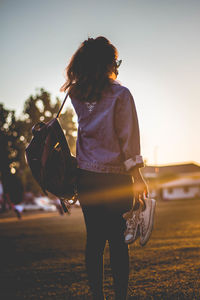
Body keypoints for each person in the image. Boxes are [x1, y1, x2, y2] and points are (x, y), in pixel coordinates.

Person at [60, 36, 154, 300]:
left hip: (87, 178)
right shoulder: (121, 95)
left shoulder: (76, 94)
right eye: (115, 61)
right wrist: (138, 176)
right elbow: (128, 137)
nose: (117, 66)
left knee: (94, 242)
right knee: (117, 242)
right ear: (106, 63)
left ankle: (98, 297)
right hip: (116, 179)